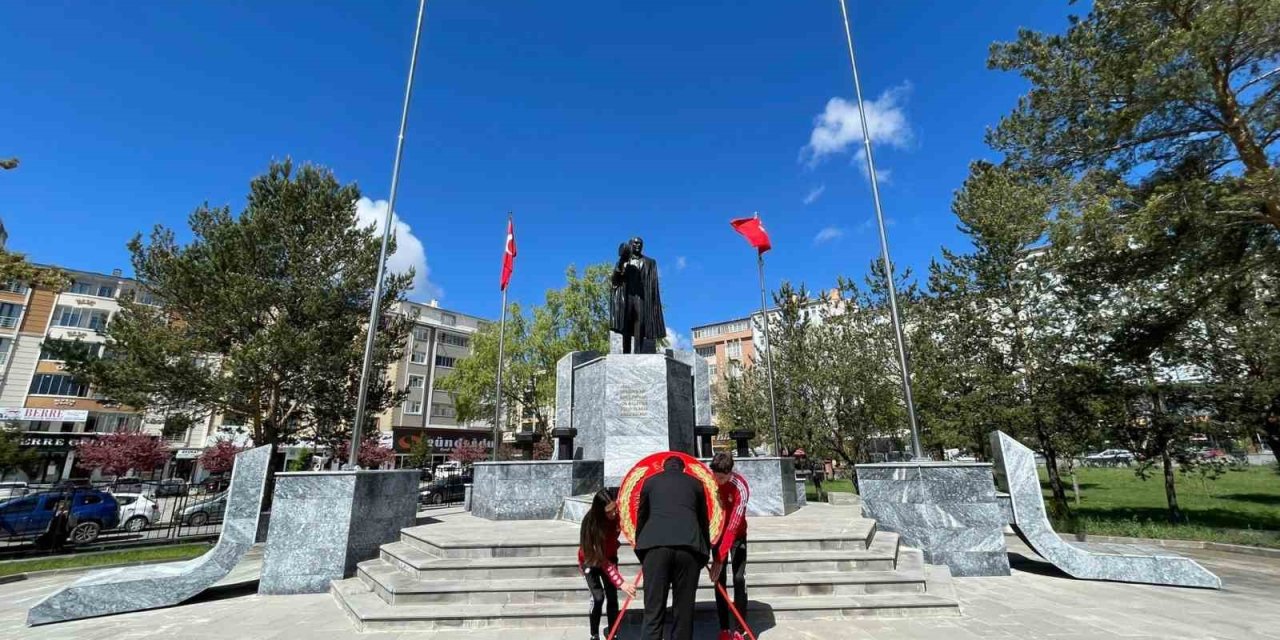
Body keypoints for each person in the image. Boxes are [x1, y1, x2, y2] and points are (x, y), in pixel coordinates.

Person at [635, 456, 710, 640]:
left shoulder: (650, 482)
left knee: (653, 609)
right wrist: (705, 552)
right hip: (689, 548)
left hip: (655, 548)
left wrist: (642, 548)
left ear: (663, 467)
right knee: (684, 610)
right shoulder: (696, 484)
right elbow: (703, 521)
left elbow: (642, 517)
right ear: (683, 469)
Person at [579, 488, 637, 640]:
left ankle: (613, 633)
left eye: (614, 509)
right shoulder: (590, 524)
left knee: (612, 597)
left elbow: (633, 523)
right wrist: (621, 583)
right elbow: (601, 560)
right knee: (598, 597)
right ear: (600, 511)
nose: (613, 514)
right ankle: (594, 634)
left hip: (610, 557)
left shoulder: (617, 516)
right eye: (609, 511)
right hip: (591, 561)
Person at [709, 453, 750, 640]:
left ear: (730, 473)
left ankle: (740, 629)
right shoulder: (709, 483)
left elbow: (733, 526)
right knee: (719, 581)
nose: (718, 480)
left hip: (737, 537)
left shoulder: (740, 488)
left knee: (739, 578)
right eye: (716, 476)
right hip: (716, 535)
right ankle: (724, 627)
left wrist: (719, 558)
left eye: (722, 477)